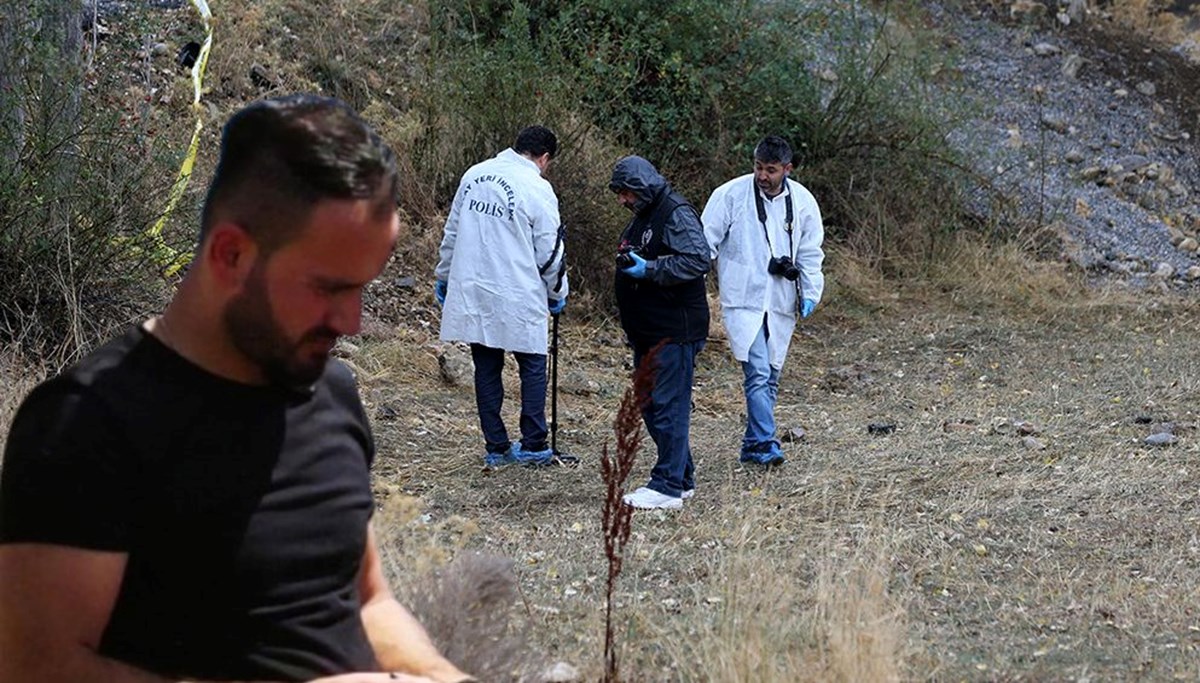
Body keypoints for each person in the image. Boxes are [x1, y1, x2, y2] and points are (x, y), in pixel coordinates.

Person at [0, 95, 475, 683]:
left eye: (362, 288)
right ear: (231, 255)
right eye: (328, 288)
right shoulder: (87, 423)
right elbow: (40, 668)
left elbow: (365, 602)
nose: (351, 322)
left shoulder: (328, 390)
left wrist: (433, 674)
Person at [434, 126, 567, 468]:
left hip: (477, 288)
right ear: (545, 157)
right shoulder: (537, 188)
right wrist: (557, 292)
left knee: (487, 366)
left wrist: (444, 276)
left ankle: (496, 446)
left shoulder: (475, 175)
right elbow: (550, 251)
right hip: (520, 290)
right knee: (534, 364)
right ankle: (535, 443)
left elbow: (452, 232)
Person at [701, 135, 825, 466]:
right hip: (743, 298)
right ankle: (766, 442)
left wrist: (811, 292)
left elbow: (811, 252)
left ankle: (753, 443)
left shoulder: (802, 202)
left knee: (771, 374)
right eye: (758, 167)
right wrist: (689, 285)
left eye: (770, 170)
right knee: (756, 371)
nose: (762, 176)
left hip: (781, 299)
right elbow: (705, 244)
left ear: (788, 169)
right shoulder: (729, 195)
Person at [609, 155, 710, 510]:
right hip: (649, 329)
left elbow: (698, 259)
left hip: (675, 327)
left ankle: (666, 485)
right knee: (651, 402)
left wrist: (650, 269)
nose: (622, 201)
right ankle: (681, 479)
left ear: (641, 187)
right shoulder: (643, 215)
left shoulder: (674, 212)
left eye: (625, 193)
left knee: (668, 404)